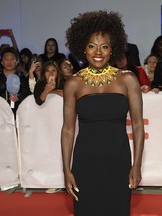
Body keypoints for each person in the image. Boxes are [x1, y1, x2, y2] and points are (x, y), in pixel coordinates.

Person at [62, 10, 144, 216]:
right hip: (85, 162)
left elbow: (137, 125)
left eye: (104, 46)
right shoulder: (73, 83)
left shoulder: (127, 80)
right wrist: (66, 169)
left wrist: (137, 165)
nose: (98, 51)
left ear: (112, 50)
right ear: (83, 48)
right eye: (92, 46)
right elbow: (68, 130)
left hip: (118, 161)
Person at [0, 47, 31, 115]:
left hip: (18, 112)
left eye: (12, 59)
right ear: (2, 62)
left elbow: (28, 93)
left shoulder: (21, 77)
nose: (9, 62)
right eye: (6, 59)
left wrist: (18, 97)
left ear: (16, 62)